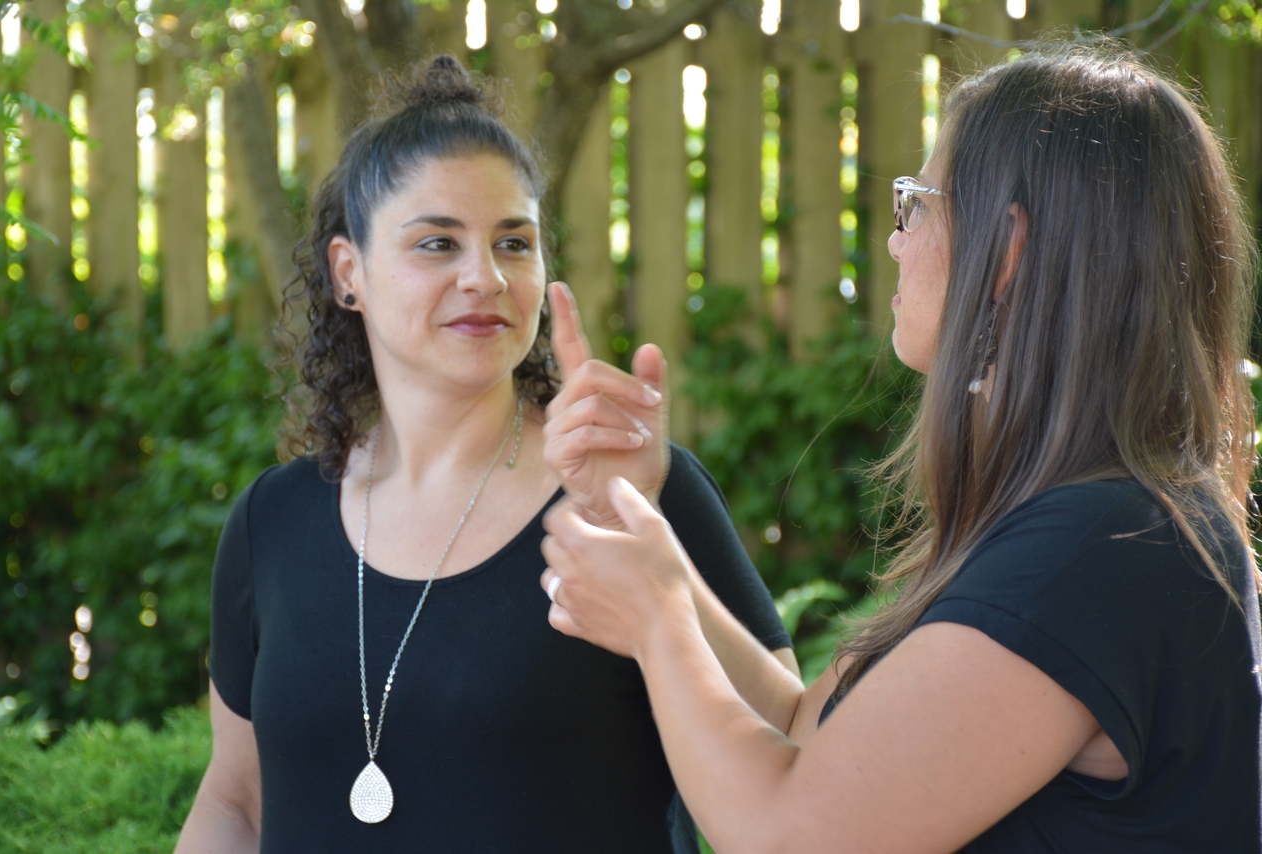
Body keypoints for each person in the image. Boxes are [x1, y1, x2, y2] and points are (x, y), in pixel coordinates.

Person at [539, 48, 1262, 852]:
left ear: (1008, 249)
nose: (894, 241)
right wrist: (652, 539)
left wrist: (656, 620)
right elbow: (797, 729)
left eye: (916, 204)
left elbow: (791, 834)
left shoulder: (1101, 549)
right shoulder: (1084, 520)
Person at [174, 55, 797, 853]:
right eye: (437, 243)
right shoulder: (274, 520)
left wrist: (648, 546)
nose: (485, 277)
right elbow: (235, 801)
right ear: (347, 273)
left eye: (514, 242)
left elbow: (786, 753)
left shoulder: (635, 493)